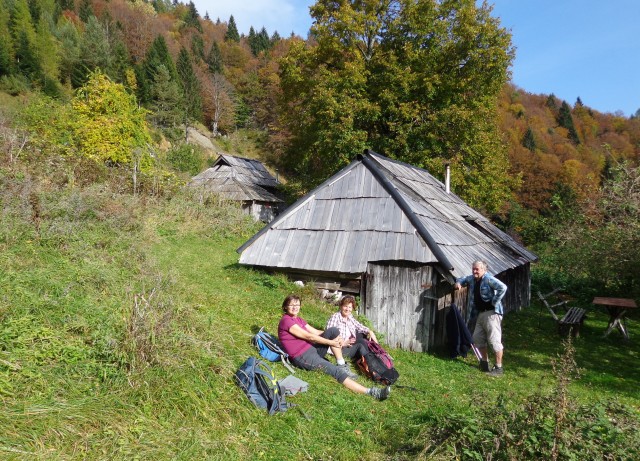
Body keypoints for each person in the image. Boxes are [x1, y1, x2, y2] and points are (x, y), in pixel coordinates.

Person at [278, 294, 390, 400]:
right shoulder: (286, 321)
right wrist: (331, 342)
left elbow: (316, 332)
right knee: (335, 371)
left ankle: (341, 363)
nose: (295, 307)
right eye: (292, 305)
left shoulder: (298, 319)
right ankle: (372, 392)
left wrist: (337, 337)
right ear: (285, 307)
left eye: (297, 304)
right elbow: (309, 336)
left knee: (333, 330)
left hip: (312, 349)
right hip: (302, 356)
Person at [454, 260, 508, 377]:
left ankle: (498, 368)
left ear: (484, 270)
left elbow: (503, 287)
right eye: (473, 269)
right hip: (481, 314)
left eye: (477, 269)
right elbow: (462, 279)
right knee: (477, 339)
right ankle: (484, 363)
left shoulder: (488, 279)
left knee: (494, 341)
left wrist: (494, 301)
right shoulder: (472, 279)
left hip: (492, 314)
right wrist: (458, 283)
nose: (474, 271)